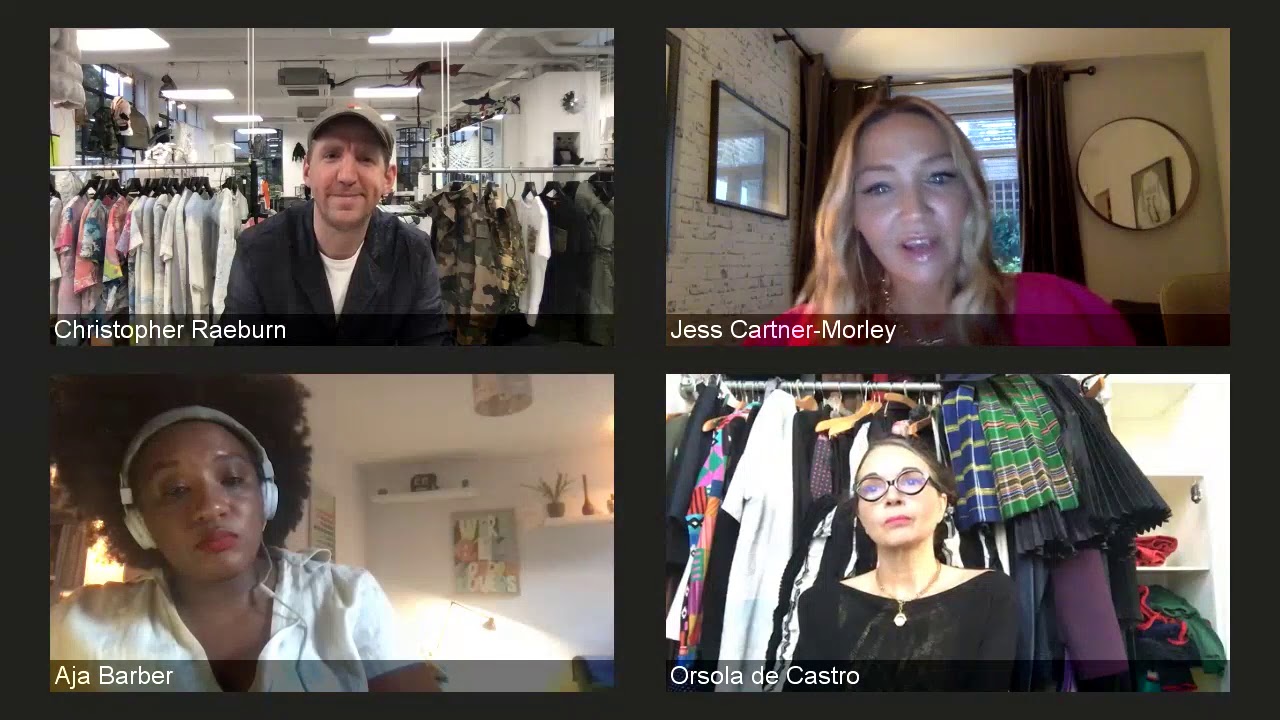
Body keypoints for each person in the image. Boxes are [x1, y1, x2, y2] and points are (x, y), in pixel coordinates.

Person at [49, 375, 442, 692]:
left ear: (267, 496)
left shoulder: (348, 599)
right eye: (176, 490)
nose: (210, 507)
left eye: (233, 479)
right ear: (138, 521)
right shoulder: (82, 628)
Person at [753, 95, 1134, 346]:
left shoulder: (1067, 312)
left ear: (970, 195)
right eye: (879, 187)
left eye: (938, 177)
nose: (915, 210)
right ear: (851, 214)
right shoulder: (786, 337)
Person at [787, 435, 1017, 691]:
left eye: (911, 481)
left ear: (941, 504)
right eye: (872, 488)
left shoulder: (990, 595)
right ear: (860, 516)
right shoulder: (821, 606)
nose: (892, 496)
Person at [219, 104, 450, 345]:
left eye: (366, 158)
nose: (347, 176)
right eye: (331, 155)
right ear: (307, 170)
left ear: (388, 178)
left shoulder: (412, 252)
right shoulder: (259, 250)